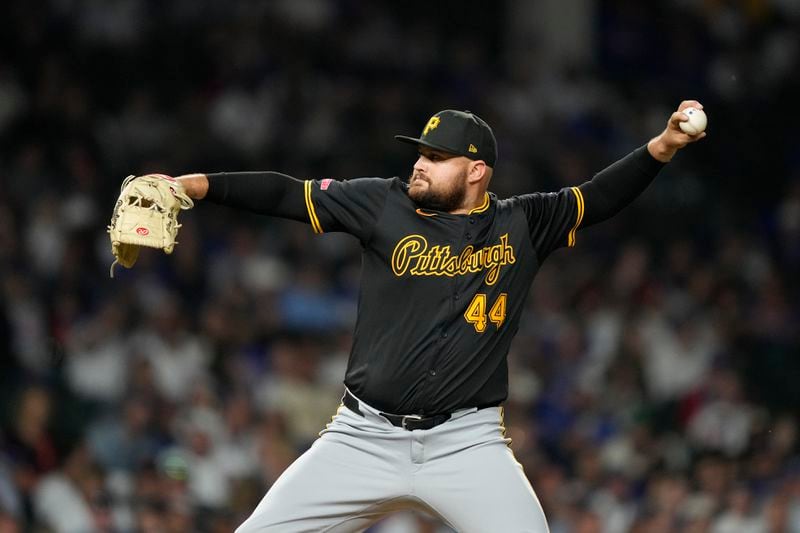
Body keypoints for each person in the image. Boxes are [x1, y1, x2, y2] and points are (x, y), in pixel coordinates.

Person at [172, 101, 706, 532]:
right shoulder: (384, 204)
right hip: (362, 437)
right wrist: (192, 186)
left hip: (467, 444)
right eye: (421, 152)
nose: (420, 164)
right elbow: (288, 193)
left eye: (437, 156)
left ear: (476, 171)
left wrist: (661, 148)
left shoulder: (523, 223)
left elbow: (597, 199)